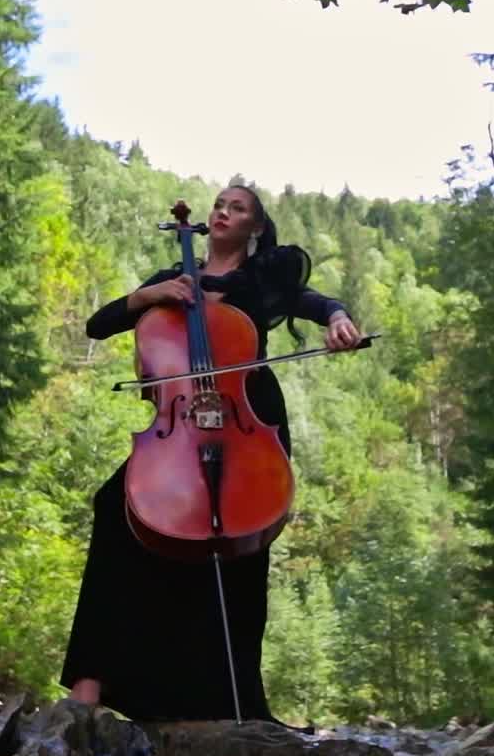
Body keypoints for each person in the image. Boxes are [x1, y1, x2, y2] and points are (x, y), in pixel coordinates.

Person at [60, 184, 362, 721]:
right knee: (115, 511)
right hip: (178, 431)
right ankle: (89, 687)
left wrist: (338, 318)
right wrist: (148, 298)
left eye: (238, 207)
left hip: (246, 418)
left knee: (240, 552)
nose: (224, 210)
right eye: (220, 204)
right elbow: (99, 324)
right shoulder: (173, 282)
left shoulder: (262, 277)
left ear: (256, 227)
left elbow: (314, 303)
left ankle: (234, 703)